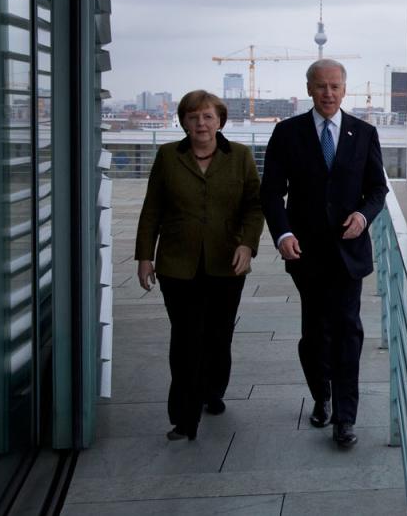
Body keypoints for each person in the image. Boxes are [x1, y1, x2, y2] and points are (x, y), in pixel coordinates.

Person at [261, 59, 388, 449]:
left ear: (345, 89)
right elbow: (270, 192)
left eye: (334, 86)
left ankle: (346, 420)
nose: (328, 93)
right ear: (309, 89)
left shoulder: (364, 133)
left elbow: (377, 191)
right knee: (314, 333)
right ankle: (322, 395)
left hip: (349, 252)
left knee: (348, 331)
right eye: (320, 86)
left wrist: (364, 218)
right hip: (306, 252)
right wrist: (282, 233)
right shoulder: (287, 133)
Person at [135, 91, 264, 441]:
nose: (201, 124)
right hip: (178, 266)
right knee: (186, 339)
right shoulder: (167, 157)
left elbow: (255, 206)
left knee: (219, 337)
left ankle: (212, 390)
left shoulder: (239, 156)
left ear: (220, 120)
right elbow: (152, 210)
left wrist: (247, 245)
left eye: (207, 117)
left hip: (227, 263)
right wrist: (145, 257)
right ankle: (183, 418)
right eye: (193, 117)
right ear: (183, 122)